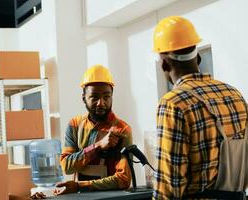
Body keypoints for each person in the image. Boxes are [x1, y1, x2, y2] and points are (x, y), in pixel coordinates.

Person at [153, 16, 247, 199]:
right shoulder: (235, 94)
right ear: (198, 57)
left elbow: (169, 187)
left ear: (164, 64)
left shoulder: (173, 103)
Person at [56, 64, 133, 195]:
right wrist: (98, 146)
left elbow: (124, 179)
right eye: (94, 97)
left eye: (106, 97)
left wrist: (80, 186)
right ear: (84, 98)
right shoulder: (75, 125)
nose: (101, 103)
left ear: (112, 96)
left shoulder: (122, 129)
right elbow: (66, 166)